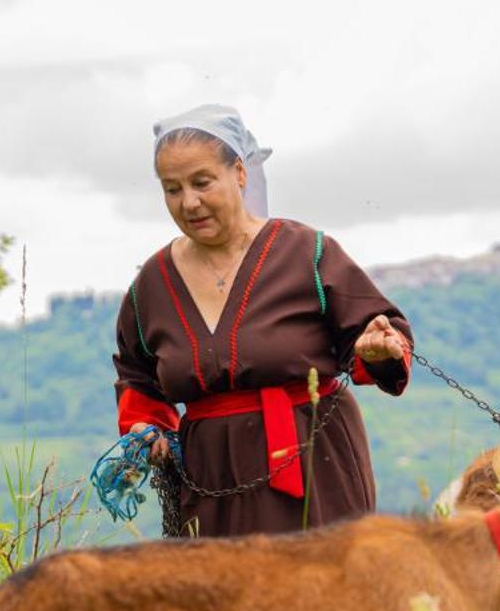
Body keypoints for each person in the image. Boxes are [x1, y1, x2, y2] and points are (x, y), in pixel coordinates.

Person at [113, 105, 415, 537]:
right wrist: (149, 428)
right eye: (172, 189)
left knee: (323, 591)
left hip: (314, 463)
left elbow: (379, 332)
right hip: (209, 477)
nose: (189, 202)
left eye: (202, 182)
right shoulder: (153, 283)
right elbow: (135, 374)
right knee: (220, 597)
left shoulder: (306, 252)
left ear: (239, 172)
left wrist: (379, 349)